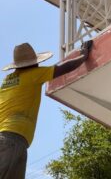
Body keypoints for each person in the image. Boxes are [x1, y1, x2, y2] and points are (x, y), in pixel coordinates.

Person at [0, 40, 93, 179]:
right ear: (32, 64)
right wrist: (83, 55)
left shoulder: (8, 80)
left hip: (8, 138)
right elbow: (62, 68)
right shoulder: (33, 74)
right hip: (13, 139)